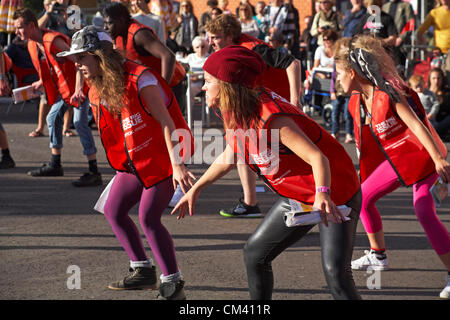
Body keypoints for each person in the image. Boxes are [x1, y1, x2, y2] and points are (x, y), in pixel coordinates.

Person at [171, 45, 363, 300]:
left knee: (336, 275)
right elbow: (232, 153)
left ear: (228, 85)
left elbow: (318, 158)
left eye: (208, 81)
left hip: (334, 191)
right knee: (255, 254)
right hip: (298, 195)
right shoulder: (235, 109)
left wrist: (322, 193)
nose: (203, 87)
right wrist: (196, 189)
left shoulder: (271, 117)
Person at [58, 25, 195, 299]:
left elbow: (167, 123)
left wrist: (177, 164)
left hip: (162, 156)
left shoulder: (141, 79)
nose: (77, 64)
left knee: (149, 218)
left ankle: (173, 282)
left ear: (100, 56)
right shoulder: (97, 82)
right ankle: (142, 270)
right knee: (113, 209)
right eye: (74, 59)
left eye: (81, 57)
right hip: (135, 160)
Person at [334, 35, 450, 299]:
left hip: (424, 157)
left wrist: (438, 158)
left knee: (423, 210)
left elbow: (417, 125)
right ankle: (378, 255)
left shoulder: (387, 93)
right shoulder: (359, 99)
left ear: (353, 73)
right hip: (401, 161)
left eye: (339, 73)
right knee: (362, 197)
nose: (336, 78)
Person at [205, 13, 302, 218]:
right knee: (241, 148)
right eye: (210, 37)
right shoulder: (228, 52)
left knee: (280, 159)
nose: (210, 41)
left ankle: (301, 202)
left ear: (230, 36)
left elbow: (293, 63)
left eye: (215, 37)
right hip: (253, 106)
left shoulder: (255, 48)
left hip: (274, 107)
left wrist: (295, 100)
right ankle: (251, 203)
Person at [14, 8, 102, 187]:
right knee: (52, 118)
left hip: (81, 87)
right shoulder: (32, 44)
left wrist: (79, 89)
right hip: (65, 91)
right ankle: (55, 163)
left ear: (31, 25)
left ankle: (94, 171)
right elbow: (48, 67)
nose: (16, 32)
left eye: (19, 27)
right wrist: (40, 82)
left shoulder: (54, 41)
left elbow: (79, 61)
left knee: (79, 123)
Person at [103, 2, 187, 114]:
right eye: (104, 23)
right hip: (149, 86)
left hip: (172, 82)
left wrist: (161, 89)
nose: (105, 27)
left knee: (172, 127)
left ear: (121, 20)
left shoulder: (139, 35)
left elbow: (168, 56)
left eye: (109, 23)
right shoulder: (117, 35)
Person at [180, 36, 209, 110]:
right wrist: (192, 75)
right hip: (190, 80)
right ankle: (186, 114)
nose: (200, 49)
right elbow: (185, 68)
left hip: (203, 83)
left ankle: (189, 115)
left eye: (202, 46)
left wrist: (198, 77)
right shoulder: (191, 57)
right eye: (197, 47)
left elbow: (210, 73)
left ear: (206, 47)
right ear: (193, 48)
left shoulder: (209, 58)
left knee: (189, 91)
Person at [428, 68, 450, 138]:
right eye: (433, 78)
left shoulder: (447, 92)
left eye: (438, 78)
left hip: (444, 123)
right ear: (430, 79)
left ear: (442, 79)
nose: (436, 81)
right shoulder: (425, 93)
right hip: (430, 124)